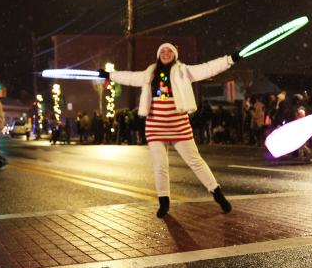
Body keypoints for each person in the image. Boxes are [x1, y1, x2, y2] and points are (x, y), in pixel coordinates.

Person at [101, 43, 236, 218]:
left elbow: (208, 68)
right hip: (155, 124)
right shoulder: (150, 72)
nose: (165, 53)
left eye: (169, 51)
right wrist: (109, 75)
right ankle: (164, 203)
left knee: (195, 161)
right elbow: (131, 77)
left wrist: (230, 59)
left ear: (175, 54)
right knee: (160, 166)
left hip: (178, 123)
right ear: (158, 55)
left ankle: (218, 195)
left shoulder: (183, 70)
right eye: (162, 51)